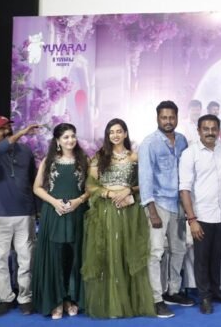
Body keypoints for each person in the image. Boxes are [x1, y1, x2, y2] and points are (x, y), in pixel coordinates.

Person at [81, 119, 155, 318]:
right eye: (111, 132)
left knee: (126, 251)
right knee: (107, 252)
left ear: (125, 133)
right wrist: (109, 194)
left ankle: (127, 302)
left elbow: (146, 182)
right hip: (105, 210)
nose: (115, 135)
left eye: (119, 131)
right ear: (108, 135)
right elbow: (90, 185)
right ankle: (109, 303)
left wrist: (129, 190)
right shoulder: (100, 157)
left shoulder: (135, 157)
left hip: (129, 211)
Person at [0, 117, 40, 316]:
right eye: (2, 129)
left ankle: (25, 297)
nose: (7, 131)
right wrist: (21, 133)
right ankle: (5, 298)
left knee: (26, 258)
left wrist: (36, 209)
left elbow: (33, 180)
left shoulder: (25, 151)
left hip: (25, 213)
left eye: (9, 128)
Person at [139, 101, 193, 318]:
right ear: (157, 119)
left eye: (172, 117)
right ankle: (156, 299)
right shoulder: (149, 143)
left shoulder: (182, 140)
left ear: (177, 118)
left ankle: (173, 291)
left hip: (178, 203)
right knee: (155, 252)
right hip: (159, 204)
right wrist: (151, 211)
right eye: (164, 117)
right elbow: (145, 178)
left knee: (179, 249)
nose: (168, 121)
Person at [31, 123, 90, 319]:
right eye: (65, 137)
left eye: (73, 136)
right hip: (54, 213)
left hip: (77, 212)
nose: (70, 140)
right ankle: (55, 300)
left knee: (74, 256)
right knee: (55, 257)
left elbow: (91, 189)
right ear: (57, 140)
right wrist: (55, 202)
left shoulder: (84, 160)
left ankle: (70, 299)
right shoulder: (49, 161)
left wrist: (78, 201)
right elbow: (37, 188)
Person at [179, 115, 221, 315]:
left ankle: (216, 291)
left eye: (213, 129)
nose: (210, 132)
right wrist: (192, 219)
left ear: (219, 130)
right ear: (199, 131)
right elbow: (184, 189)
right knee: (202, 259)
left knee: (216, 257)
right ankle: (204, 297)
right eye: (206, 129)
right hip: (201, 216)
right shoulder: (189, 154)